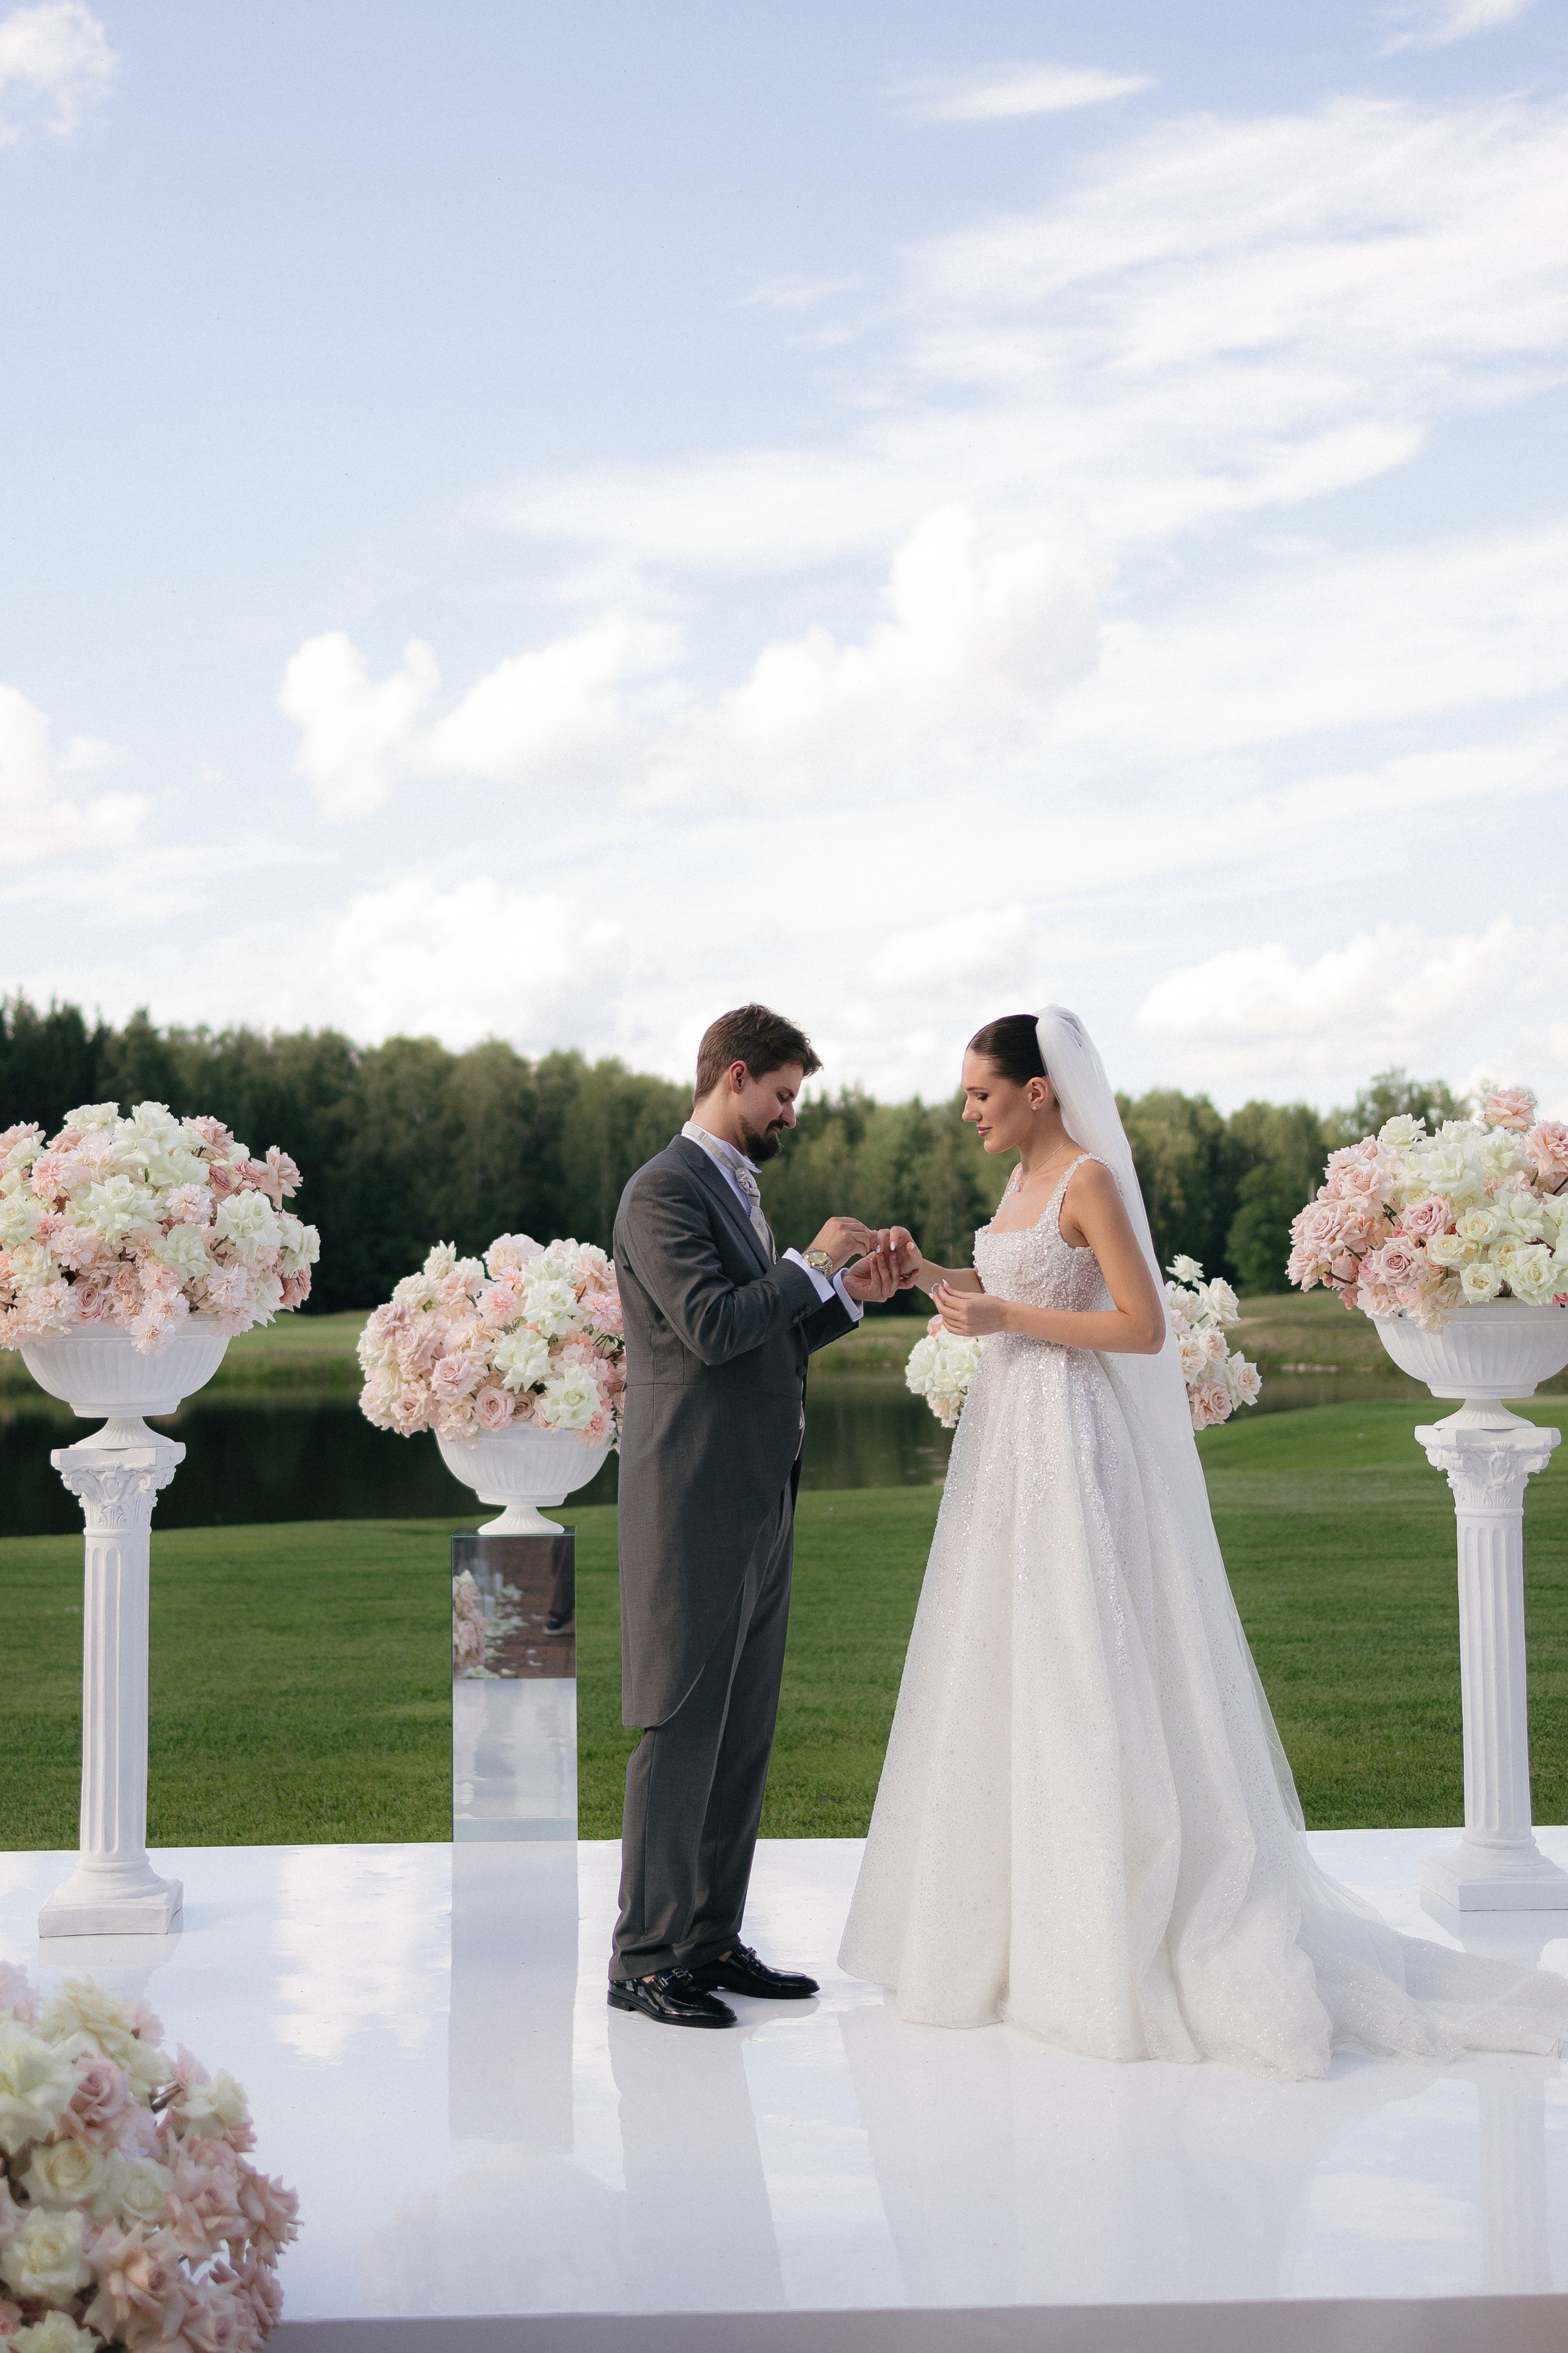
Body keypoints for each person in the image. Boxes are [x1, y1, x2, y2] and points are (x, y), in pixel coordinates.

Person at [839, 1005, 1568, 2078]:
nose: (970, 1111)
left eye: (982, 1094)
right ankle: (1017, 1936)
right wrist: (926, 1278)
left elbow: (1141, 1326)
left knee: (1091, 1669)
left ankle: (1114, 1931)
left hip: (1074, 1443)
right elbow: (1007, 1290)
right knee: (1015, 1665)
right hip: (1009, 1445)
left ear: (1039, 1091)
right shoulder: (1019, 1183)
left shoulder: (1088, 1178)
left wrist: (1007, 1321)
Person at [609, 1002, 901, 2028]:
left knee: (742, 1730)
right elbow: (711, 1326)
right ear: (734, 1077)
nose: (790, 1115)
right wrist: (809, 1261)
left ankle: (709, 1938)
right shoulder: (662, 1190)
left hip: (761, 1494)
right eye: (782, 1096)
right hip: (688, 1494)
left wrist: (852, 1294)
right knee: (681, 1721)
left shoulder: (736, 1188)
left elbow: (767, 1340)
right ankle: (643, 1956)